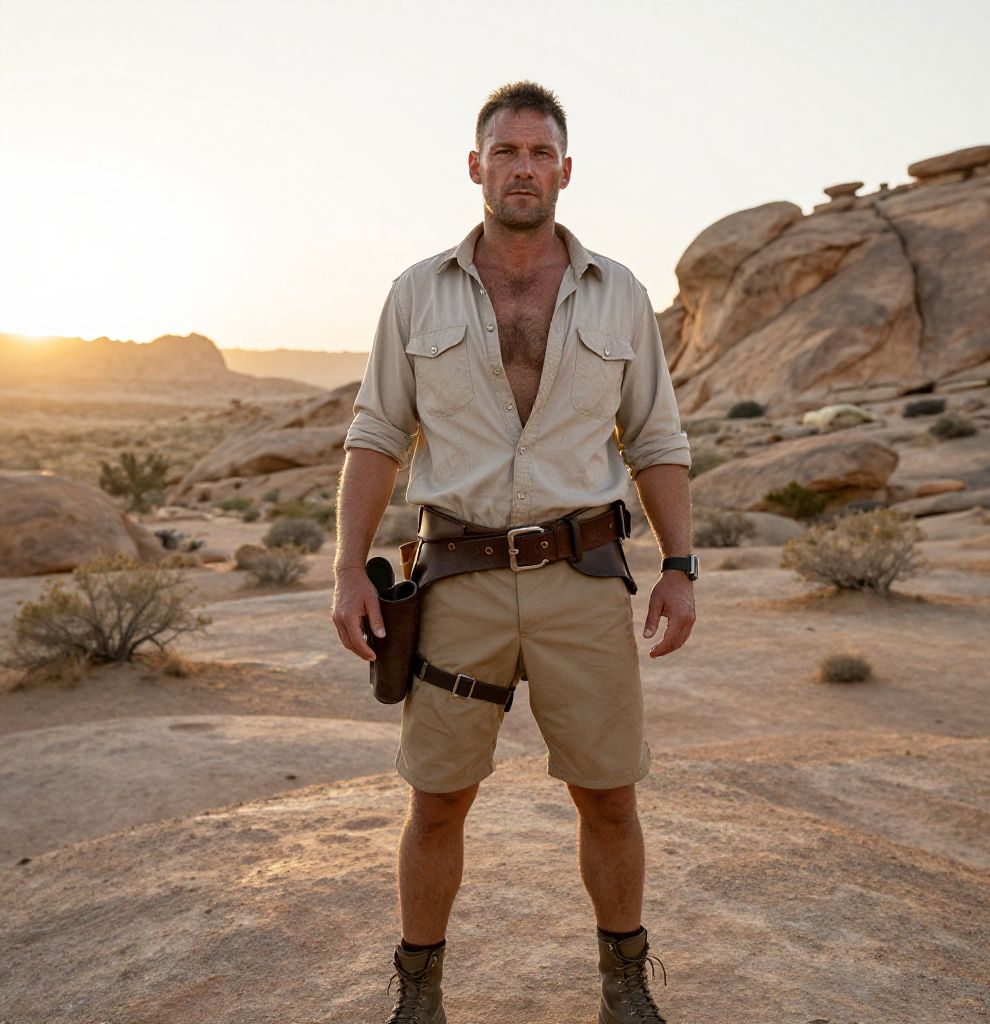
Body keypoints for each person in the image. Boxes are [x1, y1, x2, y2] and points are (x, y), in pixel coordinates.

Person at [332, 80, 696, 1024]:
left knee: (609, 797)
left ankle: (625, 990)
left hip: (582, 579)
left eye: (540, 153)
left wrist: (682, 566)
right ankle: (419, 995)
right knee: (439, 802)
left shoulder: (621, 295)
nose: (523, 168)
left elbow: (655, 440)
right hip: (456, 583)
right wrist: (346, 570)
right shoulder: (418, 293)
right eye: (506, 151)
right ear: (475, 166)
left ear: (565, 170)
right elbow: (376, 433)